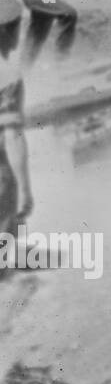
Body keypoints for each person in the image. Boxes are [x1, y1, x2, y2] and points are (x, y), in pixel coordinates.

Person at [0, 24, 33, 252]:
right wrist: (24, 187)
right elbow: (12, 135)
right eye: (14, 28)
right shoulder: (7, 74)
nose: (18, 35)